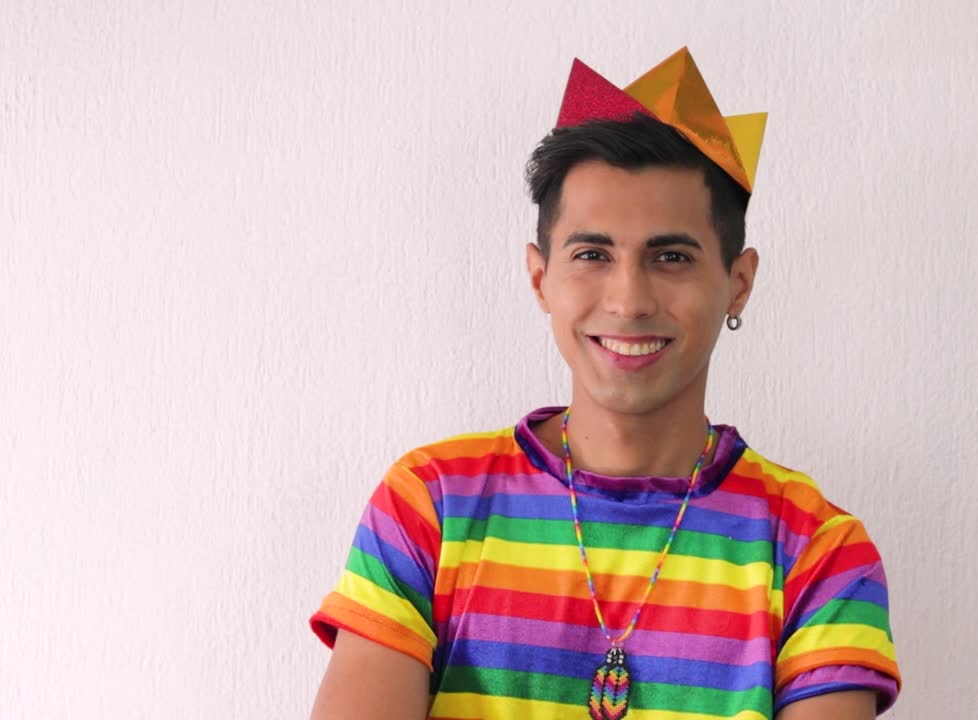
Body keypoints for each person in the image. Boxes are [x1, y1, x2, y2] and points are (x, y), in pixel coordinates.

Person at [309, 47, 901, 719]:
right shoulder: (429, 505)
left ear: (737, 284)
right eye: (593, 255)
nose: (628, 299)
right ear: (541, 279)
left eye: (670, 257)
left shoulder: (816, 552)